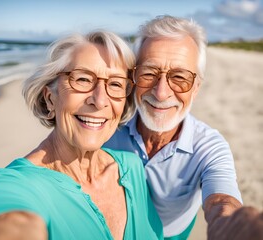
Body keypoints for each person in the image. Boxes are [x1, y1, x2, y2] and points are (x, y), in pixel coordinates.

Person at [0, 30, 163, 240]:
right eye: (82, 79)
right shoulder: (18, 185)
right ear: (49, 99)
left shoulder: (132, 169)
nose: (100, 100)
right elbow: (5, 217)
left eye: (116, 84)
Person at [104, 15, 263, 240]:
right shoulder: (107, 129)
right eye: (149, 73)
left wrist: (237, 224)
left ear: (196, 88)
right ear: (134, 77)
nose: (161, 93)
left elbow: (221, 203)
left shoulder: (208, 146)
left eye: (179, 77)